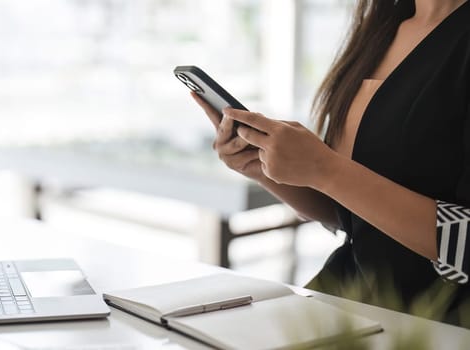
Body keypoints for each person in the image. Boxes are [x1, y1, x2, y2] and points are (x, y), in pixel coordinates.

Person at [192, 0, 470, 327]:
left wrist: (326, 169)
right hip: (350, 306)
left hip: (435, 325)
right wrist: (262, 164)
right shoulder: (385, 26)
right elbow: (352, 217)